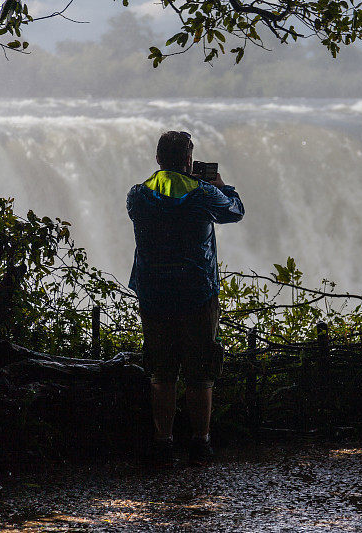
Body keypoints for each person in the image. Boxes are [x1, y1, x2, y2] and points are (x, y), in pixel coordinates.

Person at [127, 131, 244, 467]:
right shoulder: (205, 194)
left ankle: (163, 444)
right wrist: (222, 186)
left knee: (162, 374)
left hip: (154, 293)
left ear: (158, 159)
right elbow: (235, 212)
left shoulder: (138, 195)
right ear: (190, 161)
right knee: (200, 372)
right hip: (197, 292)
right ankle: (200, 443)